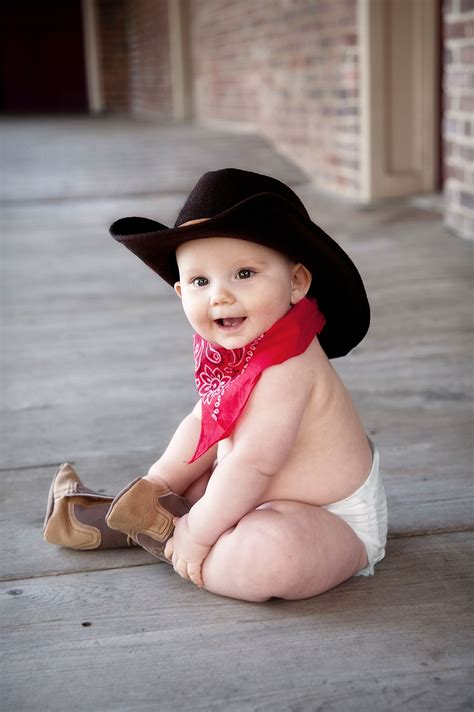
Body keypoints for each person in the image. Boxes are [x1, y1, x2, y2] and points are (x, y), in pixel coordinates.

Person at [44, 168, 387, 602]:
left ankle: (167, 539)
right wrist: (158, 484)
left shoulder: (291, 362)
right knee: (194, 487)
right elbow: (206, 422)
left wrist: (199, 532)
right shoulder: (231, 354)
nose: (219, 296)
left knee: (269, 557)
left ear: (297, 283)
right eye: (200, 282)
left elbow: (253, 464)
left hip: (328, 519)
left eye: (244, 273)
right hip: (247, 495)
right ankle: (148, 517)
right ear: (180, 293)